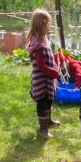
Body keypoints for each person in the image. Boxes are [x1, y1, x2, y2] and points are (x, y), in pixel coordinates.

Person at [26, 9, 59, 139]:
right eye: (49, 24)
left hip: (48, 79)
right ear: (43, 24)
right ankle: (43, 129)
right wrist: (53, 71)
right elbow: (40, 65)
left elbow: (48, 57)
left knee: (49, 99)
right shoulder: (38, 44)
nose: (50, 26)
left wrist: (54, 65)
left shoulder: (43, 38)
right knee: (43, 103)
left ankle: (49, 121)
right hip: (41, 79)